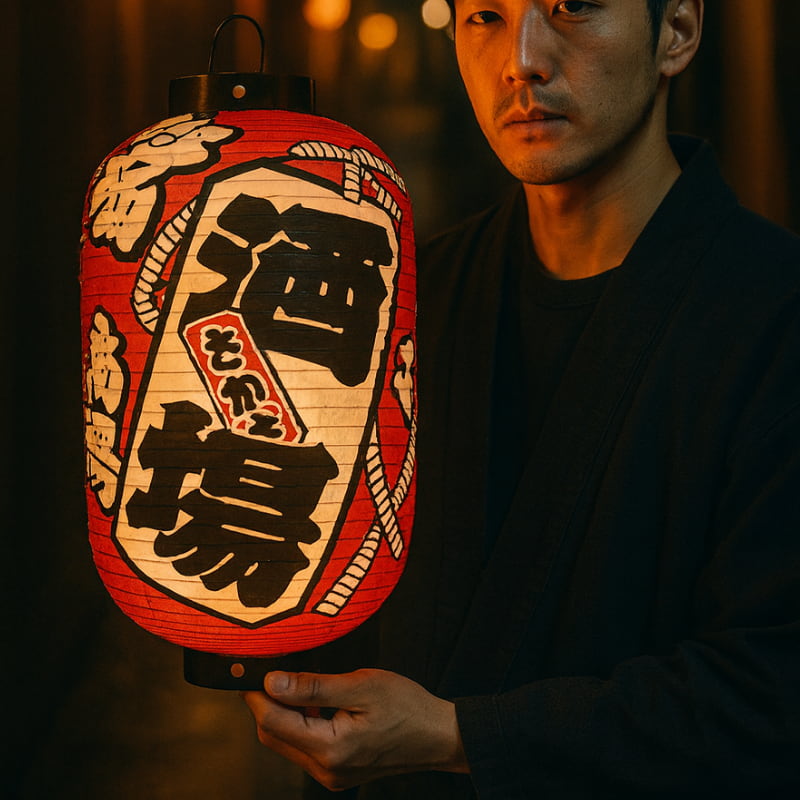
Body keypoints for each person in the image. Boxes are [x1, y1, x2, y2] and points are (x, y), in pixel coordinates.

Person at [243, 1, 800, 797]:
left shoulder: (774, 314)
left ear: (675, 31)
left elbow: (772, 694)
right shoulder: (405, 298)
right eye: (486, 17)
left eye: (573, 7)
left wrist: (460, 737)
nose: (522, 60)